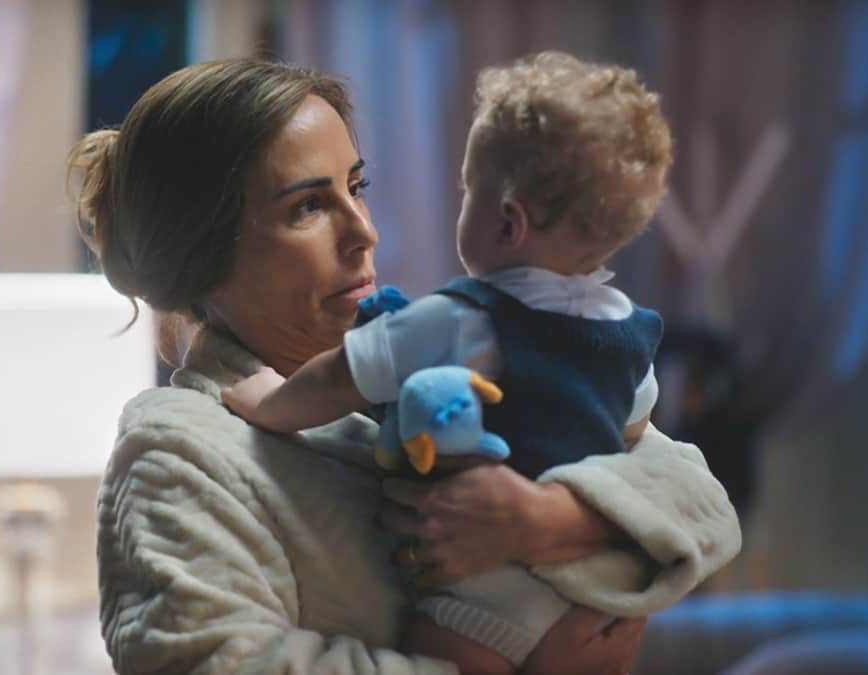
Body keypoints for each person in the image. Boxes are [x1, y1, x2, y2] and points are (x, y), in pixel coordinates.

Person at [70, 58, 742, 675]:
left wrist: (545, 518)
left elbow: (706, 506)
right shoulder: (177, 447)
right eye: (307, 205)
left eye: (355, 187)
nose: (364, 229)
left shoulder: (446, 360)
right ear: (202, 253)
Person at [222, 52, 690, 675]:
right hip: (591, 588)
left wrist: (266, 402)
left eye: (470, 187)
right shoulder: (630, 332)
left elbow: (343, 375)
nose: (367, 229)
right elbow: (633, 445)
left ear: (507, 222)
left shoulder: (462, 319)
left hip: (485, 591)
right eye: (309, 205)